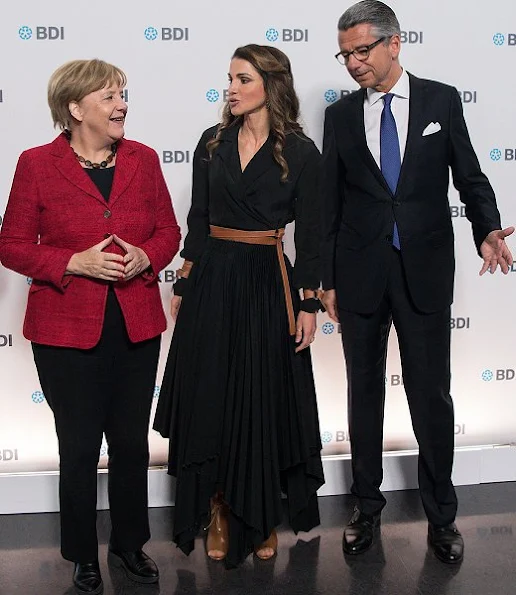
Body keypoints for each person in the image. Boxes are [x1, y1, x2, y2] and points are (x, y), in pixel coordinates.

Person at [321, 1, 513, 564]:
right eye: (345, 53)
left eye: (362, 50)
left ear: (394, 43)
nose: (354, 64)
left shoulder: (440, 100)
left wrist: (485, 228)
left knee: (432, 397)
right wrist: (325, 279)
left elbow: (470, 174)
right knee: (363, 395)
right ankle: (365, 505)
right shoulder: (339, 116)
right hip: (359, 275)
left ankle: (442, 515)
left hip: (425, 271)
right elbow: (328, 203)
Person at [0, 59, 180, 594]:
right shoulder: (36, 164)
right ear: (75, 108)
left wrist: (148, 257)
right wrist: (71, 263)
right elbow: (10, 245)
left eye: (123, 94)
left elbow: (169, 229)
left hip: (135, 324)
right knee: (78, 446)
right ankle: (82, 554)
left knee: (130, 443)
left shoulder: (145, 160)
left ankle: (130, 544)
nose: (122, 104)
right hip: (65, 331)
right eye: (109, 96)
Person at [154, 44, 325, 569]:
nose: (229, 88)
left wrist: (309, 301)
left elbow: (314, 236)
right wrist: (184, 281)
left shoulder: (300, 151)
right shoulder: (212, 142)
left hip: (267, 281)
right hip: (212, 281)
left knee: (263, 395)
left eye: (241, 78)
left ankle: (262, 513)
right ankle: (222, 507)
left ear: (269, 85)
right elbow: (198, 218)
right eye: (228, 77)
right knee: (213, 394)